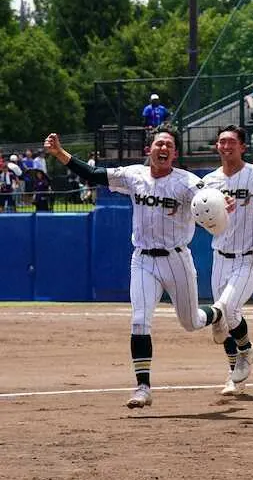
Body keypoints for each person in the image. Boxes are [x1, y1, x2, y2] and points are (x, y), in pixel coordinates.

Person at [42, 127, 230, 408]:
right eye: (158, 144)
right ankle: (143, 386)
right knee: (139, 319)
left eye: (168, 145)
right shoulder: (133, 175)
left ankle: (216, 314)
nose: (163, 148)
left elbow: (209, 197)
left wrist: (223, 202)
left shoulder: (187, 182)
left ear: (175, 154)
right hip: (143, 259)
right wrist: (59, 154)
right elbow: (94, 175)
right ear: (149, 150)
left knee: (190, 323)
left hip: (176, 258)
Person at [202, 126, 253, 396]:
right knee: (225, 320)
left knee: (227, 308)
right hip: (221, 255)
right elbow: (202, 216)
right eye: (222, 142)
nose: (226, 146)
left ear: (242, 147)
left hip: (252, 255)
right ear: (216, 147)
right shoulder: (210, 181)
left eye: (232, 142)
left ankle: (247, 351)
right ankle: (234, 376)